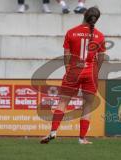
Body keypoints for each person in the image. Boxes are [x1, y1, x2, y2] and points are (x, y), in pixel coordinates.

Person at [40, 7, 106, 144]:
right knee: (87, 105)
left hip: (74, 70)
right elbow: (101, 57)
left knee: (63, 102)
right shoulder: (100, 36)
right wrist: (95, 71)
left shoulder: (71, 32)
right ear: (97, 19)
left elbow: (66, 55)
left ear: (84, 15)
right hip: (90, 72)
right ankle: (82, 139)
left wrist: (68, 69)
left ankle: (53, 132)